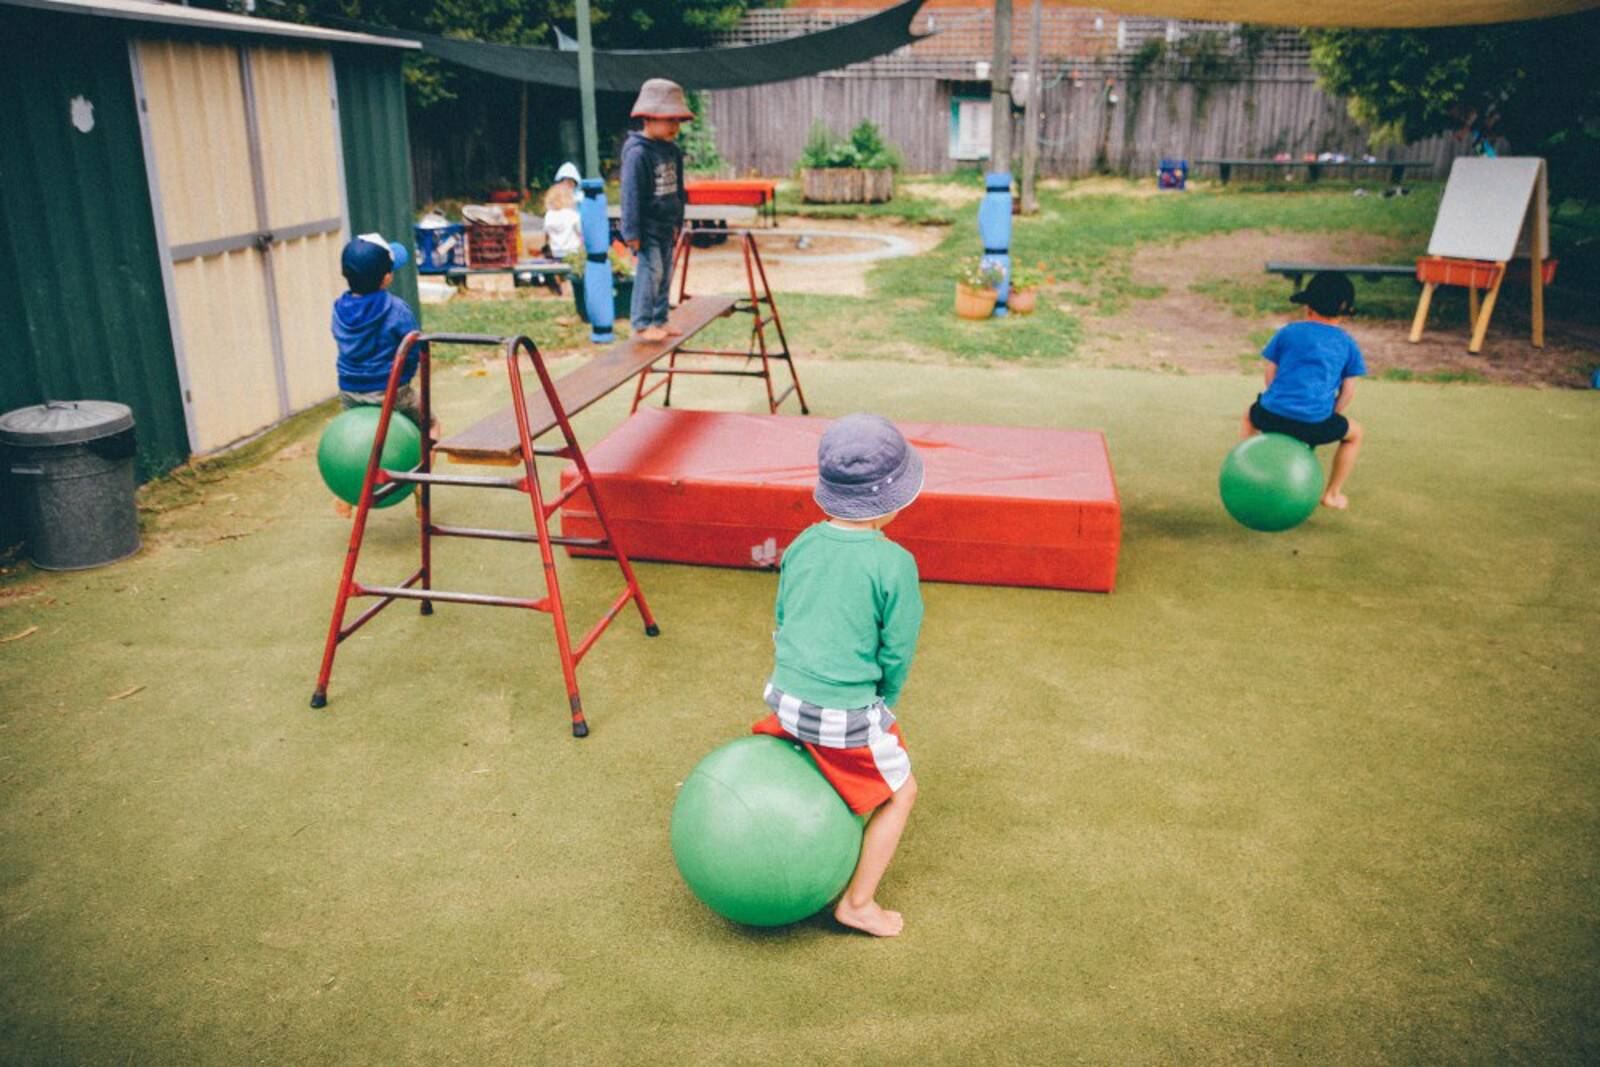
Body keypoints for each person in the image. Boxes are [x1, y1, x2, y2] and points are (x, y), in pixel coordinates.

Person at [751, 413, 925, 937]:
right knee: (903, 791)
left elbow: (783, 620)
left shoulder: (802, 544)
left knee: (831, 738)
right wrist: (885, 701)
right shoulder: (894, 563)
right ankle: (858, 904)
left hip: (784, 701)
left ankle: (812, 753)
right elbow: (897, 650)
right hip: (842, 715)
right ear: (895, 498)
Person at [1241, 271, 1366, 509]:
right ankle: (1332, 493)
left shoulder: (1288, 332)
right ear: (1344, 311)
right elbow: (1349, 391)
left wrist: (1279, 399)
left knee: (1249, 416)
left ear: (1308, 305)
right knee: (1355, 434)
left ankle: (1248, 468)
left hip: (1271, 415)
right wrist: (1332, 413)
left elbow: (1270, 374)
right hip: (1315, 423)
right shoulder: (1348, 344)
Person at [331, 233, 429, 515]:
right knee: (431, 429)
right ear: (386, 278)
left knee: (352, 439)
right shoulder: (396, 309)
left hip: (350, 390)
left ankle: (346, 493)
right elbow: (411, 347)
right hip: (390, 390)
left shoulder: (338, 309)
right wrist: (405, 377)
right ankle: (422, 489)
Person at [620, 78, 691, 343]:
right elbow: (630, 195)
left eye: (678, 121)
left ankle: (660, 319)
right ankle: (641, 323)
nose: (675, 126)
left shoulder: (672, 151)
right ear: (648, 118)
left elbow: (679, 190)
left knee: (666, 273)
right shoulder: (638, 154)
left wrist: (678, 222)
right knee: (651, 272)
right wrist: (631, 232)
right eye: (669, 120)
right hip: (646, 227)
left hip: (666, 224)